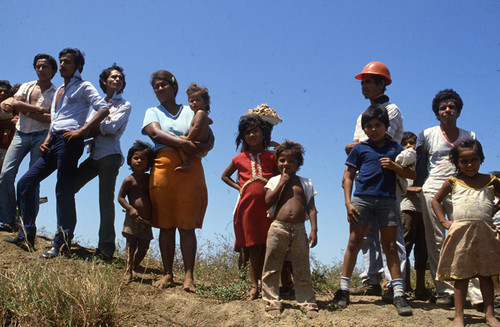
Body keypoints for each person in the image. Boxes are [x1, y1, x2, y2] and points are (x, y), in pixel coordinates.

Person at [4, 48, 110, 256]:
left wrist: (81, 130)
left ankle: (62, 243)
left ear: (78, 66)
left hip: (70, 141)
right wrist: (46, 140)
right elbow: (55, 119)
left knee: (63, 189)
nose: (62, 65)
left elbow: (103, 109)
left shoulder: (84, 86)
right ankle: (26, 235)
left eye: (67, 62)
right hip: (53, 140)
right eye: (61, 62)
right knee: (25, 182)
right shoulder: (59, 89)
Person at [333, 104, 415, 316]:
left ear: (386, 126)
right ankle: (343, 290)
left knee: (390, 245)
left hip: (387, 200)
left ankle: (398, 293)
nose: (373, 129)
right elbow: (349, 176)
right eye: (369, 126)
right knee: (354, 241)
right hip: (362, 200)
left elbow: (412, 174)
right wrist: (348, 203)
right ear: (364, 128)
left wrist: (395, 167)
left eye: (378, 125)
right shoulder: (360, 148)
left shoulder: (395, 148)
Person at [142, 70, 213, 292]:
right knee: (165, 223)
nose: (160, 89)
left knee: (186, 224)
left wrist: (199, 147)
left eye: (164, 85)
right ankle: (167, 273)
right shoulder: (152, 111)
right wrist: (183, 144)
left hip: (190, 169)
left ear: (174, 86)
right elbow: (155, 134)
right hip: (163, 167)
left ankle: (189, 276)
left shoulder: (191, 110)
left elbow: (209, 139)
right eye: (156, 86)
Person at [344, 61, 407, 300]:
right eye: (363, 82)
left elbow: (375, 142)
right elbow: (355, 149)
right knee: (366, 234)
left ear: (383, 83)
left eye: (369, 81)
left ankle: (394, 284)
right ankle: (371, 279)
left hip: (387, 180)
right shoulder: (362, 115)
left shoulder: (392, 110)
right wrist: (354, 147)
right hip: (365, 179)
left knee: (391, 237)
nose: (364, 86)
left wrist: (354, 147)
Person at [414, 89, 482, 307]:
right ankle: (445, 290)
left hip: (461, 188)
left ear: (458, 111)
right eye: (443, 107)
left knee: (466, 238)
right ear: (437, 112)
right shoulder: (426, 134)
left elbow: (475, 162)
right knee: (435, 240)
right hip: (433, 187)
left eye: (452, 106)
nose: (447, 110)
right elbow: (420, 164)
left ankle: (475, 294)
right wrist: (420, 186)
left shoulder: (469, 136)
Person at [432, 139, 500, 327]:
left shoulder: (491, 180)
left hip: (485, 233)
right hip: (461, 234)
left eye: (474, 160)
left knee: (486, 275)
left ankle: (489, 314)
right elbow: (436, 201)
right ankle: (459, 315)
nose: (470, 165)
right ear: (457, 162)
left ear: (481, 159)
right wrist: (444, 221)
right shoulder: (453, 181)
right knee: (460, 276)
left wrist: (493, 211)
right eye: (464, 161)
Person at [74, 64, 131, 261]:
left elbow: (111, 128)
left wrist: (91, 128)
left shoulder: (124, 104)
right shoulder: (96, 103)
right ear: (104, 81)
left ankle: (105, 250)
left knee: (105, 202)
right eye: (113, 77)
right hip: (94, 156)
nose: (116, 80)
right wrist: (91, 128)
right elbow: (87, 128)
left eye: (120, 79)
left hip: (110, 156)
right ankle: (64, 235)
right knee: (68, 187)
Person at [261, 140, 318, 318]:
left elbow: (311, 208)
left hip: (299, 229)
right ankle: (272, 300)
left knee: (301, 266)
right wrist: (281, 183)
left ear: (298, 164)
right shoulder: (273, 181)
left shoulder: (305, 183)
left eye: (291, 161)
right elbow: (268, 201)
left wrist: (314, 230)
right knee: (272, 265)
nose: (286, 164)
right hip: (278, 227)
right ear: (277, 162)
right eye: (282, 161)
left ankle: (306, 301)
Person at [0, 54, 57, 232]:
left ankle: (27, 223)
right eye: (38, 66)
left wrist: (28, 111)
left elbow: (53, 118)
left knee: (33, 179)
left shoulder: (56, 92)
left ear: (53, 70)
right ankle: (8, 219)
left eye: (45, 66)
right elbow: (15, 104)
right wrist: (38, 109)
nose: (41, 69)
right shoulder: (27, 86)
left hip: (41, 136)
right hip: (20, 133)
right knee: (5, 174)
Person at [221, 114, 275, 300]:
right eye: (247, 132)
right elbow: (224, 176)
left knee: (269, 246)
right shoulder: (239, 158)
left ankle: (268, 285)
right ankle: (254, 286)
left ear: (263, 133)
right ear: (242, 137)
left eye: (255, 131)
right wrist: (240, 187)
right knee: (253, 247)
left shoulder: (273, 156)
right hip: (248, 209)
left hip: (268, 207)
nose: (251, 135)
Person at [118, 140, 155, 284]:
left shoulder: (150, 178)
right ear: (130, 160)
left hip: (147, 220)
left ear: (148, 162)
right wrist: (130, 208)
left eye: (143, 159)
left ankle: (133, 266)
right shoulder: (129, 180)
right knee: (131, 245)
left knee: (144, 245)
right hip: (133, 218)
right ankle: (128, 272)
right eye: (136, 158)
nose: (139, 161)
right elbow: (120, 197)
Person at [398, 132, 428, 298]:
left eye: (411, 143)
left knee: (422, 248)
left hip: (423, 208)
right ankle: (403, 284)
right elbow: (396, 185)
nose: (409, 146)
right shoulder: (400, 162)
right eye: (405, 143)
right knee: (405, 246)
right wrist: (411, 189)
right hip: (406, 207)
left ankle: (421, 287)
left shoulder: (421, 163)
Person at [175, 82, 212, 172]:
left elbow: (196, 128)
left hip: (197, 144)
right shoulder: (201, 114)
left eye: (198, 100)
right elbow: (210, 121)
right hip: (200, 145)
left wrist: (188, 138)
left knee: (179, 141)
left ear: (205, 103)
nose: (194, 103)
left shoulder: (199, 113)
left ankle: (186, 162)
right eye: (191, 101)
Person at [0, 80, 15, 172]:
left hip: (5, 148)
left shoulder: (13, 108)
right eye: (0, 91)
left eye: (5, 92)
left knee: (4, 177)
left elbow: (15, 122)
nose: (2, 93)